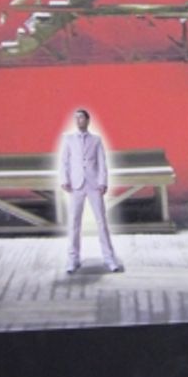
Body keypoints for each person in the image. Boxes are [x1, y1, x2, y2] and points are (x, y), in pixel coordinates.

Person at [60, 108, 123, 273]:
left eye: (81, 118)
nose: (78, 121)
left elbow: (102, 162)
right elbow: (64, 162)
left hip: (93, 184)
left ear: (88, 120)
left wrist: (103, 182)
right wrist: (64, 180)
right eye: (76, 118)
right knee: (74, 222)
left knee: (101, 221)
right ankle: (73, 259)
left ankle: (109, 259)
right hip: (76, 185)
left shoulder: (96, 140)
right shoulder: (68, 139)